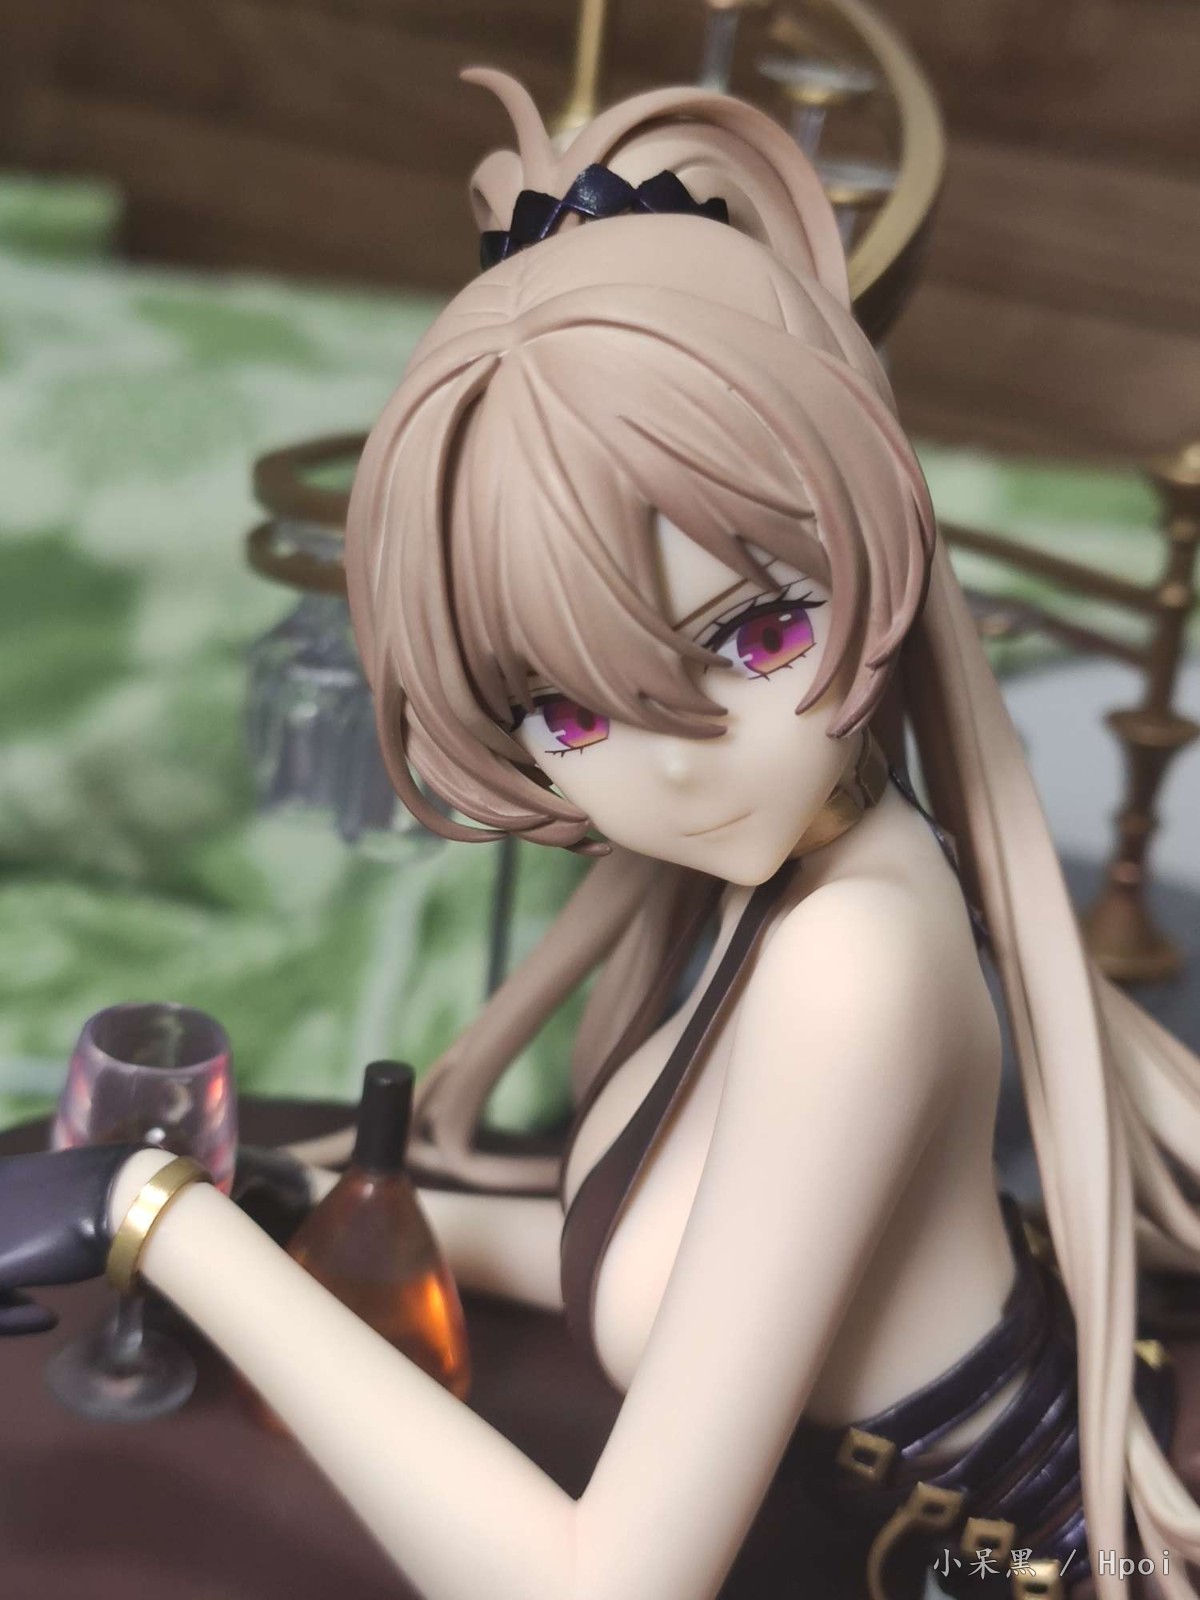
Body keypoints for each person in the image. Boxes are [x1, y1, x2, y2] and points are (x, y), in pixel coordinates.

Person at [3, 68, 1200, 1600]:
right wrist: (292, 1203)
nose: (682, 765)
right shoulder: (783, 873)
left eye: (761, 632)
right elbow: (672, 1267)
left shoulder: (858, 960)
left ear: (874, 533)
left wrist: (156, 1217)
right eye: (570, 713)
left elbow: (603, 1584)